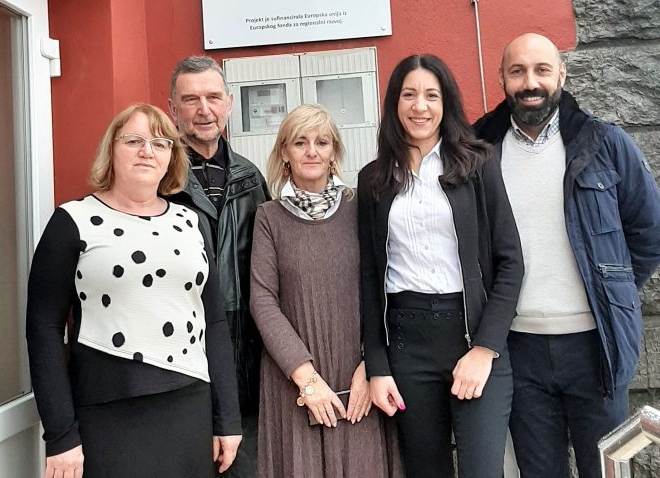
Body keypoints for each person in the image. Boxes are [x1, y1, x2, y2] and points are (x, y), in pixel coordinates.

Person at [473, 33, 660, 478]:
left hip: (595, 347)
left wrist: (609, 289)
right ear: (502, 78)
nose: (530, 82)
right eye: (517, 71)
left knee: (606, 470)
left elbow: (652, 234)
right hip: (516, 348)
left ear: (561, 73)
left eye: (542, 69)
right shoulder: (478, 149)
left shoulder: (604, 142)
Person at [26, 103, 242, 478]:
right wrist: (60, 435)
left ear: (171, 158)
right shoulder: (72, 221)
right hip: (107, 412)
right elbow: (43, 329)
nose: (147, 151)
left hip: (189, 406)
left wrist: (228, 418)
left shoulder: (188, 221)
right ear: (111, 149)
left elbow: (214, 321)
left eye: (160, 144)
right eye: (134, 141)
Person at [358, 54, 524, 478]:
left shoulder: (477, 164)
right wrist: (377, 366)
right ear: (394, 103)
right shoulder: (374, 179)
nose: (420, 106)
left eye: (431, 95)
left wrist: (485, 349)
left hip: (472, 338)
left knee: (482, 470)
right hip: (408, 347)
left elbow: (511, 263)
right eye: (409, 95)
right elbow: (368, 278)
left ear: (445, 103)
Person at [249, 104, 402, 478]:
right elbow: (262, 300)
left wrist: (372, 365)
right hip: (295, 381)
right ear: (284, 152)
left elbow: (386, 285)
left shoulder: (360, 208)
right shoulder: (268, 217)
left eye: (321, 142)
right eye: (300, 143)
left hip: (358, 378)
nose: (312, 151)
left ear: (334, 150)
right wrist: (307, 380)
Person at [168, 56, 269, 477]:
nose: (203, 110)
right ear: (172, 107)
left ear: (229, 103)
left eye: (212, 98)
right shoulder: (159, 180)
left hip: (247, 355)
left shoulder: (251, 178)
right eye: (190, 100)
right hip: (182, 352)